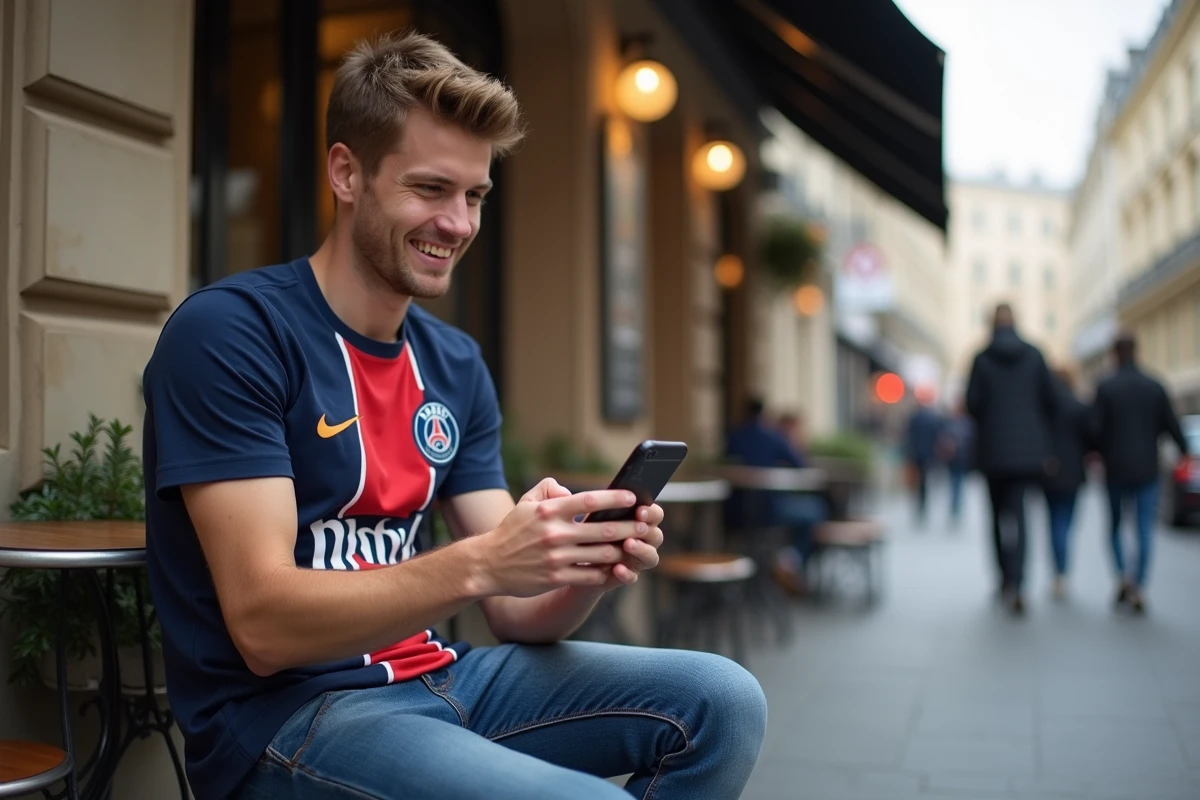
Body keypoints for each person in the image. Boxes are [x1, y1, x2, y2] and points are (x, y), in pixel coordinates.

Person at [141, 32, 766, 800]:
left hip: (443, 680)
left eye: (474, 196)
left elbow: (514, 610)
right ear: (346, 173)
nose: (460, 224)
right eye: (431, 189)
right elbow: (264, 627)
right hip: (293, 717)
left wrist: (580, 572)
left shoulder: (454, 363)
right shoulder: (233, 333)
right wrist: (483, 560)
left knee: (725, 702)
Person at [965, 303, 1056, 615]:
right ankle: (1019, 582)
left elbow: (972, 403)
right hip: (1027, 453)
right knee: (1020, 518)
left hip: (992, 451)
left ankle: (1004, 578)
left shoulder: (981, 358)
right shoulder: (1034, 355)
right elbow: (1050, 400)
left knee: (995, 518)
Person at [1091, 331, 1189, 614]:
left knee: (1116, 525)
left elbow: (1095, 430)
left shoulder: (1106, 387)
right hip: (1147, 467)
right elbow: (1172, 424)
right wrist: (1183, 451)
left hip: (1116, 468)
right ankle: (1140, 583)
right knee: (1144, 527)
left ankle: (1123, 575)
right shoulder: (1154, 386)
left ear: (1114, 353)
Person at [725, 399, 827, 594]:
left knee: (807, 510)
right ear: (763, 414)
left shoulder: (734, 436)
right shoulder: (772, 436)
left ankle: (777, 564)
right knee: (815, 510)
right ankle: (789, 561)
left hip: (734, 511)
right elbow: (800, 464)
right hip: (769, 509)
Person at [1040, 368, 1092, 599]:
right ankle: (1062, 570)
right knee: (1067, 522)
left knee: (1054, 522)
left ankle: (1058, 572)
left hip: (1049, 471)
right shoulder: (1079, 407)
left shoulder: (1043, 408)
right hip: (1073, 473)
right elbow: (1091, 438)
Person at [904, 386, 943, 524]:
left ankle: (920, 506)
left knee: (918, 482)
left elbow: (908, 435)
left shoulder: (915, 417)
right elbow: (937, 437)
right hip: (927, 454)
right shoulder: (932, 418)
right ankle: (923, 505)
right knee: (924, 481)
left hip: (916, 453)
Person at [939, 400, 975, 524]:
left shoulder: (951, 423)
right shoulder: (967, 423)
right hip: (961, 458)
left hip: (955, 458)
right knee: (958, 482)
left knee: (955, 482)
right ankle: (957, 505)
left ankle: (955, 505)